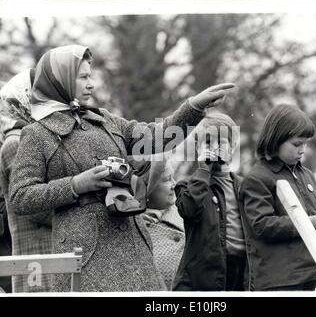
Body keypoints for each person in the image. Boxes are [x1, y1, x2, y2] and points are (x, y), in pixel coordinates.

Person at [8, 45, 234, 292]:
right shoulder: (36, 134)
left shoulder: (104, 119)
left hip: (134, 249)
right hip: (85, 258)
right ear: (59, 81)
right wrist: (76, 184)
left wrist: (195, 106)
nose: (91, 84)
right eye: (83, 77)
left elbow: (156, 136)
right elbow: (21, 196)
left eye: (90, 76)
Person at [239, 104, 316, 291]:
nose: (303, 150)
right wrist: (314, 223)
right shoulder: (257, 178)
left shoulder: (307, 175)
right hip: (278, 279)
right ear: (275, 140)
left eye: (306, 143)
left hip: (309, 272)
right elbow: (261, 225)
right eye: (296, 144)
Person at [172, 111, 249, 291]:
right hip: (201, 280)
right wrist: (203, 170)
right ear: (197, 148)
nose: (213, 147)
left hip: (240, 276)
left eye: (221, 142)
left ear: (232, 147)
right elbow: (189, 210)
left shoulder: (245, 186)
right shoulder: (186, 185)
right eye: (207, 142)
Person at [0, 69, 52, 292]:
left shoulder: (39, 139)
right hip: (37, 261)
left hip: (52, 254)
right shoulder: (16, 143)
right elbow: (33, 207)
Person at [141, 159, 185, 290]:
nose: (174, 185)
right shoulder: (130, 227)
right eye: (167, 180)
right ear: (146, 188)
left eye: (173, 178)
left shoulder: (185, 213)